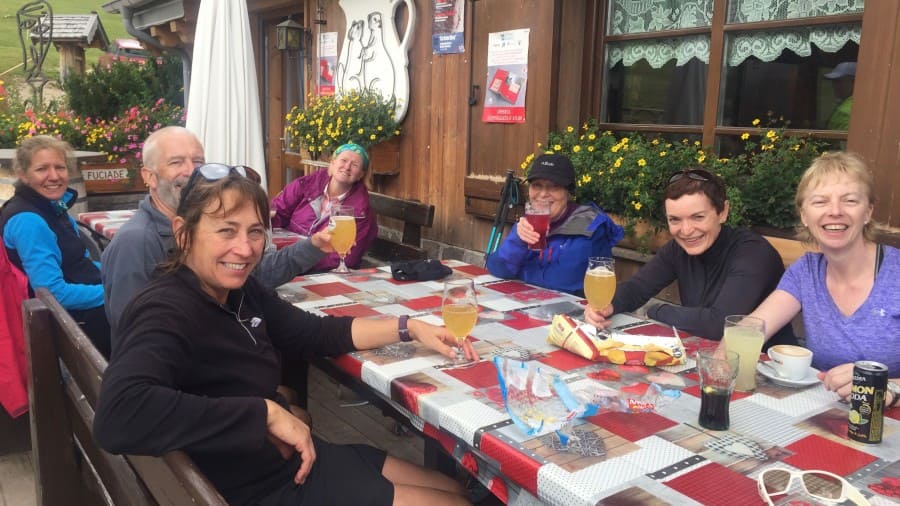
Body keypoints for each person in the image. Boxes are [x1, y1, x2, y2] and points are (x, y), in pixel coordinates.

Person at [93, 168, 473, 505]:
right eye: (226, 230)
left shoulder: (239, 292)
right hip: (262, 487)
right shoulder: (166, 308)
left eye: (255, 232)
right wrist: (265, 414)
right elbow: (119, 414)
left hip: (289, 462)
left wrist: (411, 327)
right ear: (184, 233)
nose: (244, 249)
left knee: (453, 490)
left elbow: (317, 333)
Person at [101, 126, 330, 341]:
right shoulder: (137, 243)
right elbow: (135, 338)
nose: (191, 171)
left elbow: (253, 277)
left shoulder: (201, 226)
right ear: (149, 176)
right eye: (176, 162)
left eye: (198, 161)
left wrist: (313, 247)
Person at [746, 152, 899, 407]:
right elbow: (752, 328)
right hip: (824, 417)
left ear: (868, 212)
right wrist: (721, 361)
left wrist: (887, 386)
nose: (835, 211)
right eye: (820, 202)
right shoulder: (806, 271)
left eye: (850, 201)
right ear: (804, 215)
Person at [585, 167, 796, 347]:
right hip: (709, 358)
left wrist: (654, 310)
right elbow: (638, 287)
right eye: (675, 220)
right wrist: (606, 305)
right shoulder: (678, 249)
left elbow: (719, 325)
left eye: (698, 217)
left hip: (768, 369)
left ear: (722, 212)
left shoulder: (753, 253)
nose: (686, 230)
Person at [0, 135, 111, 356]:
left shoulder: (51, 206)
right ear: (23, 174)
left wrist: (116, 275)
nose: (54, 176)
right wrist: (114, 292)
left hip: (88, 312)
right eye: (42, 169)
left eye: (60, 167)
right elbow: (52, 295)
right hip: (75, 327)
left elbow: (80, 262)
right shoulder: (29, 220)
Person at [486, 153, 624, 294]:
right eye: (536, 185)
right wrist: (518, 240)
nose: (543, 194)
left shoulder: (589, 227)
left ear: (568, 193)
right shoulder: (529, 222)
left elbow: (562, 283)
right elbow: (498, 269)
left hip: (573, 312)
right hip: (527, 305)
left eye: (554, 187)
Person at [271, 143, 378, 272]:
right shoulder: (306, 185)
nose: (347, 167)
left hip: (317, 273)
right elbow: (277, 214)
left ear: (360, 174)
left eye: (355, 165)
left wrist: (297, 260)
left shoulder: (360, 211)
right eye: (343, 160)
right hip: (286, 261)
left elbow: (343, 258)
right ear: (332, 163)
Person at [824, 61, 855, 131]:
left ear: (854, 82)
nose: (834, 86)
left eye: (839, 81)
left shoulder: (845, 110)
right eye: (834, 82)